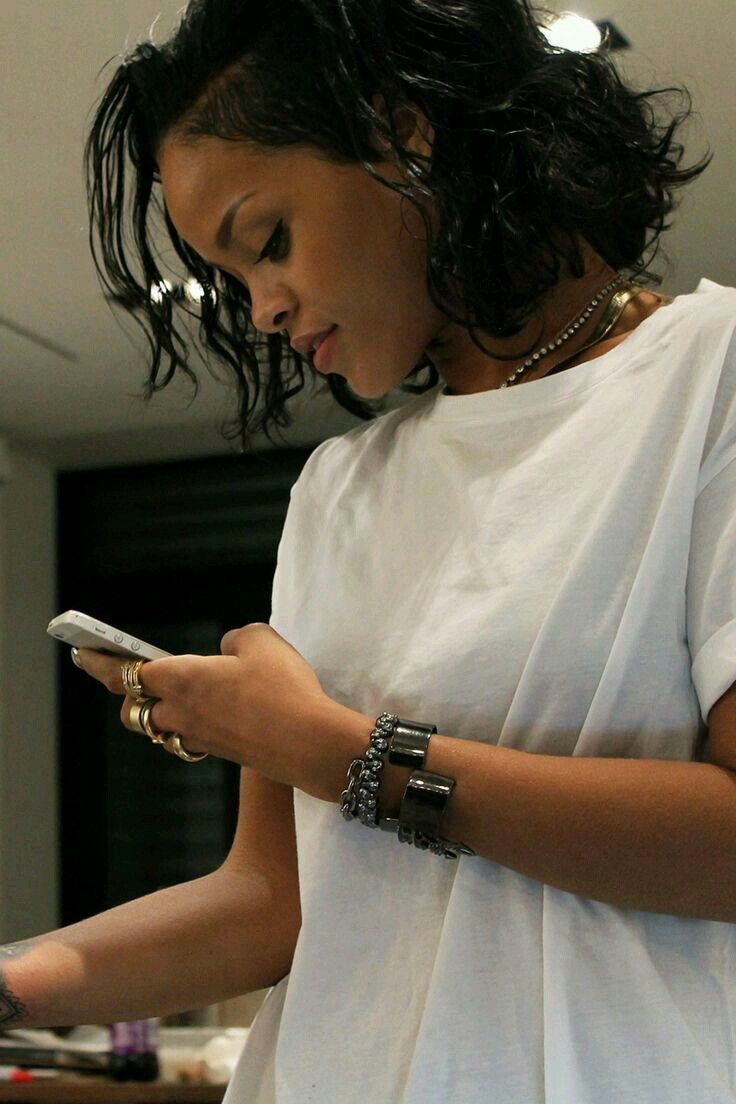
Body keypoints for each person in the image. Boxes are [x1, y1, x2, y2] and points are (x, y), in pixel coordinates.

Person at [2, 0, 735, 1100]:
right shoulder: (340, 492)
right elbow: (272, 903)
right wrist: (16, 982)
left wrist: (343, 755)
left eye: (269, 241)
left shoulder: (707, 380)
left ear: (406, 135)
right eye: (234, 276)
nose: (261, 309)